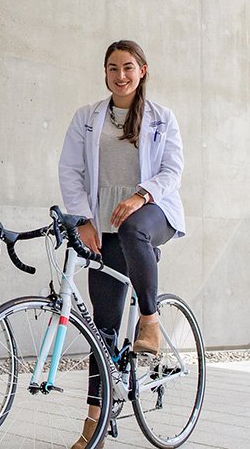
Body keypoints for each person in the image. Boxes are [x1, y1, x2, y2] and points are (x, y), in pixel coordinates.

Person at [58, 40, 185, 449]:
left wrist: (141, 196)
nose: (120, 75)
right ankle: (93, 423)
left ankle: (150, 322)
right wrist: (82, 220)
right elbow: (71, 170)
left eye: (128, 67)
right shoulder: (87, 117)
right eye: (112, 68)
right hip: (104, 224)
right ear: (105, 73)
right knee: (103, 327)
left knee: (134, 229)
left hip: (154, 212)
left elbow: (172, 171)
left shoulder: (162, 118)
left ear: (142, 70)